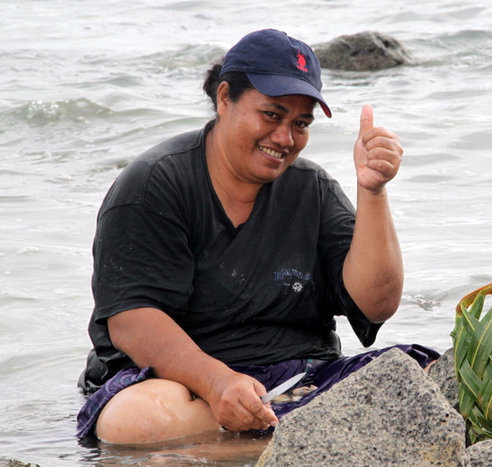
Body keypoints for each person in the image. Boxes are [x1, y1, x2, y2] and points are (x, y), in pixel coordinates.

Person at [76, 29, 438, 444]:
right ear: (225, 97)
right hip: (181, 386)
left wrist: (373, 191)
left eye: (300, 123)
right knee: (137, 421)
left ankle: (283, 439)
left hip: (298, 379)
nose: (285, 138)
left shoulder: (313, 189)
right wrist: (218, 384)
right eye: (272, 114)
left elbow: (375, 306)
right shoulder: (153, 184)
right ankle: (307, 440)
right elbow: (132, 321)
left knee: (419, 374)